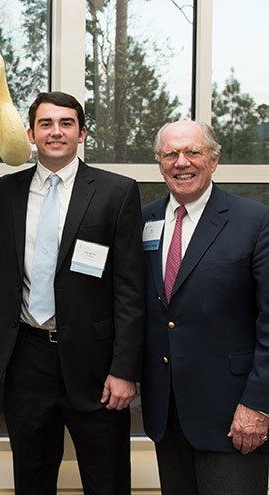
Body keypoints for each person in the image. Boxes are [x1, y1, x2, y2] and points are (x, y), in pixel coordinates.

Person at [0, 91, 145, 494]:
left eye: (66, 124)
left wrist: (124, 370)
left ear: (82, 133)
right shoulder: (6, 191)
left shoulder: (116, 192)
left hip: (97, 365)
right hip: (26, 359)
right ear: (31, 133)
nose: (56, 132)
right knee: (32, 479)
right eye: (46, 124)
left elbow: (131, 290)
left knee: (107, 480)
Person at [140, 120, 269, 494]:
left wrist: (258, 406)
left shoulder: (254, 221)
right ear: (159, 162)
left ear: (214, 160)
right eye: (170, 154)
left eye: (193, 152)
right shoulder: (145, 219)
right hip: (168, 414)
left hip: (234, 416)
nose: (182, 162)